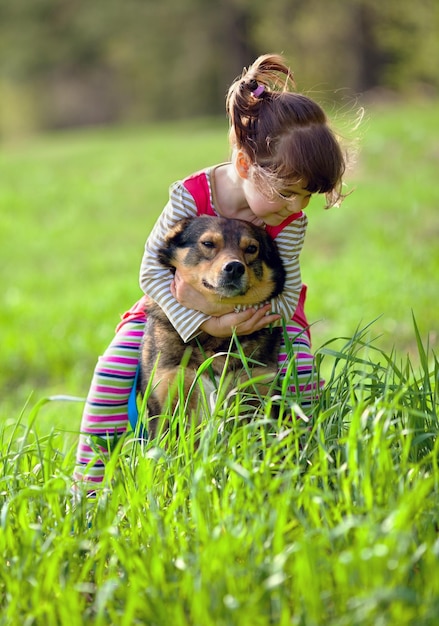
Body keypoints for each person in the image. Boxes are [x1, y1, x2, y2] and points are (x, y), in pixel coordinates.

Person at [73, 53, 347, 495]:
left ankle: (302, 464)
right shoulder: (189, 195)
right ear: (244, 166)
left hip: (264, 314)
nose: (295, 207)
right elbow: (150, 272)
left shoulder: (290, 221)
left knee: (300, 372)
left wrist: (245, 316)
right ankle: (88, 482)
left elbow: (287, 287)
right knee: (113, 368)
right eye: (287, 193)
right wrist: (208, 320)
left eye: (306, 197)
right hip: (168, 308)